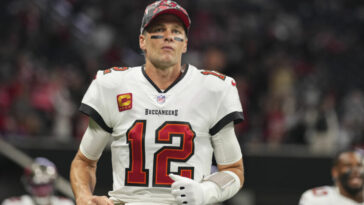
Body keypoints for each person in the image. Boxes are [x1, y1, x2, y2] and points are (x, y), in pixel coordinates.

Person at [70, 1, 245, 205]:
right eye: (159, 30)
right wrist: (84, 197)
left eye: (176, 30)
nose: (169, 36)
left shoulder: (212, 89)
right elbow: (84, 162)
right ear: (142, 41)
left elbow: (234, 170)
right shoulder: (113, 86)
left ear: (185, 43)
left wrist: (206, 191)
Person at [298, 150, 364, 205]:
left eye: (359, 165)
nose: (355, 170)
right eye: (348, 165)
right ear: (335, 172)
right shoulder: (318, 198)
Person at [2, 157, 74, 205]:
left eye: (46, 184)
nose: (42, 189)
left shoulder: (65, 203)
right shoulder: (15, 203)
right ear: (29, 184)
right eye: (37, 185)